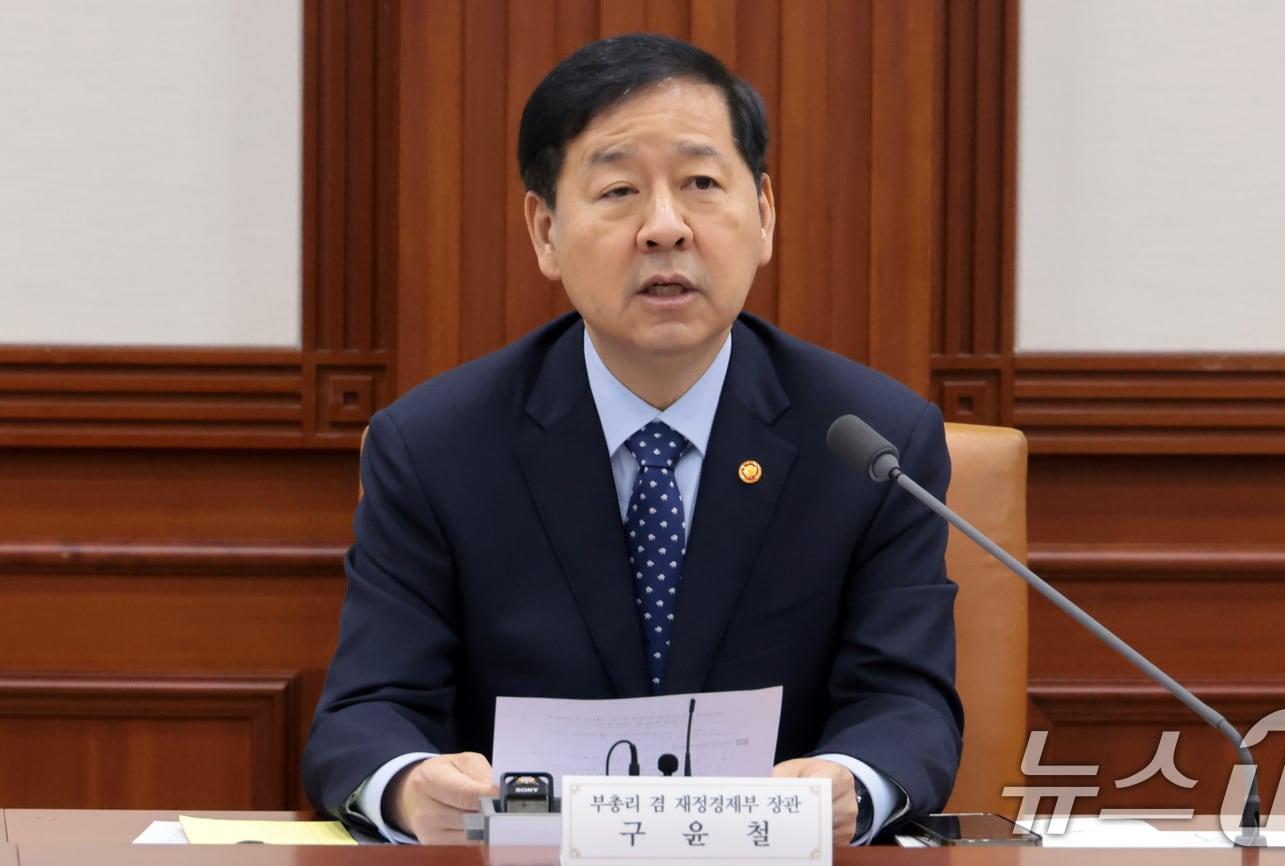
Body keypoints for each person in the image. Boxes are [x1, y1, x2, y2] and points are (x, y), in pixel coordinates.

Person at [302, 32, 962, 846]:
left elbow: (908, 704)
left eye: (701, 183)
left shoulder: (870, 442)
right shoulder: (435, 445)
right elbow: (368, 710)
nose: (664, 228)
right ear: (545, 230)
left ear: (763, 216)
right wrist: (408, 786)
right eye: (618, 191)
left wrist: (852, 782)